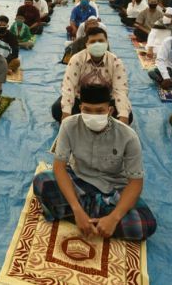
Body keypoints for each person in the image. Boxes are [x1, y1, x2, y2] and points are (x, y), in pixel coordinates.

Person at [34, 84, 156, 241]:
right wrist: (77, 209)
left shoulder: (128, 136)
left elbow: (135, 183)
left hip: (112, 191)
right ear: (80, 108)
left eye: (99, 111)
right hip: (79, 180)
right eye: (87, 110)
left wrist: (114, 217)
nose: (93, 115)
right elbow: (59, 168)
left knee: (144, 224)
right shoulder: (69, 125)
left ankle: (82, 216)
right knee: (41, 181)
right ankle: (88, 217)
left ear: (110, 110)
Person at [53, 27, 132, 124]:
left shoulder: (116, 62)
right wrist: (66, 115)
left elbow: (120, 90)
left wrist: (123, 117)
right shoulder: (77, 59)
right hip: (82, 102)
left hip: (105, 104)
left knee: (127, 115)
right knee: (57, 109)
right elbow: (69, 86)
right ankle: (96, 121)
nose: (97, 44)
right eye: (93, 41)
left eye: (100, 41)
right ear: (87, 44)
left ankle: (84, 122)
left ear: (106, 43)